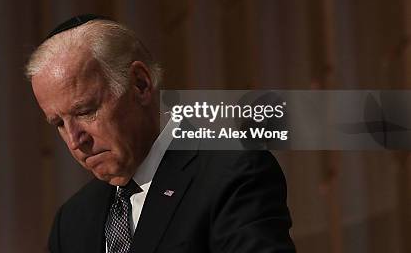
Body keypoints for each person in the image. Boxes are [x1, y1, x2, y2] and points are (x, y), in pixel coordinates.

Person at [26, 15, 296, 253]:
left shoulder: (231, 172)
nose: (75, 140)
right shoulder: (72, 221)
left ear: (140, 84)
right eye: (59, 124)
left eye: (85, 111)